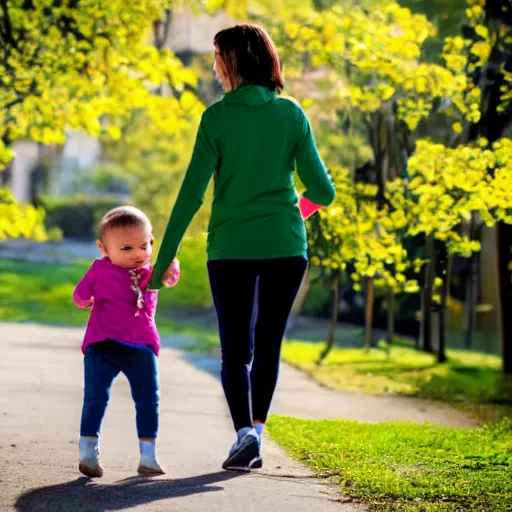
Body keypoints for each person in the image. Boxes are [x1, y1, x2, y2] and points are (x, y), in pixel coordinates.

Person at [148, 24, 335, 471]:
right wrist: (293, 215)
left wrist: (163, 259)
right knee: (268, 342)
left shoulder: (217, 118)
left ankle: (244, 435)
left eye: (217, 57)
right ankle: (258, 432)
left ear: (231, 62)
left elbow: (191, 195)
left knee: (236, 349)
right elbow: (322, 192)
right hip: (285, 246)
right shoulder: (291, 116)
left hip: (231, 247)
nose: (214, 66)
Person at [73, 206, 179, 478]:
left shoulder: (152, 272)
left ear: (151, 241)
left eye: (144, 246)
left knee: (148, 399)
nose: (137, 254)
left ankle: (148, 456)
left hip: (140, 346)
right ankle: (88, 451)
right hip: (103, 343)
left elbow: (170, 276)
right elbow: (79, 296)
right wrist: (86, 301)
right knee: (95, 396)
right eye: (127, 248)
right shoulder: (98, 270)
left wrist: (170, 268)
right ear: (103, 248)